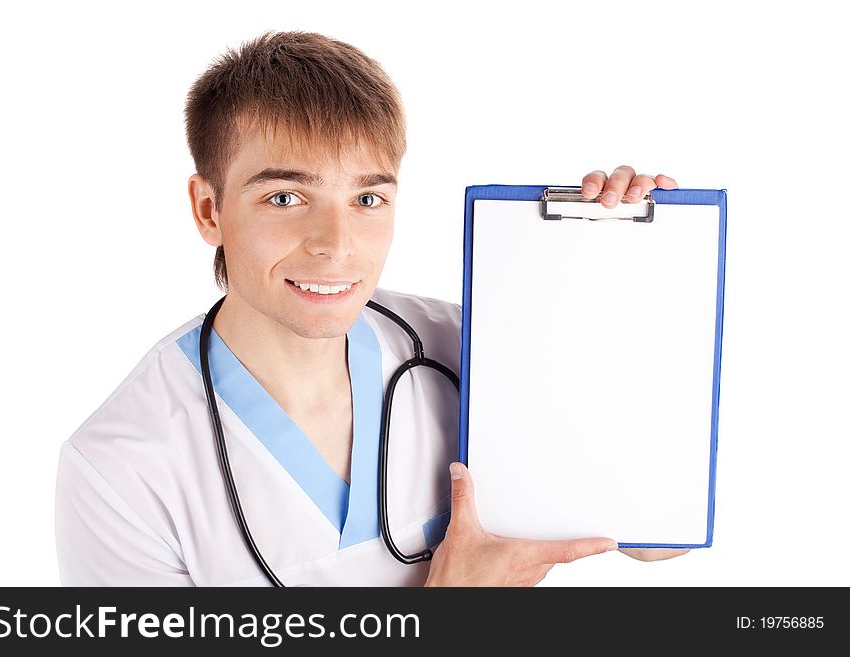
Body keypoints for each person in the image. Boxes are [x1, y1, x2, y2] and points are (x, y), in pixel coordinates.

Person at [54, 31, 687, 587]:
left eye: (367, 198)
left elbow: (654, 530)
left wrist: (629, 275)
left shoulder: (473, 349)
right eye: (284, 197)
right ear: (209, 210)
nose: (336, 245)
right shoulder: (119, 470)